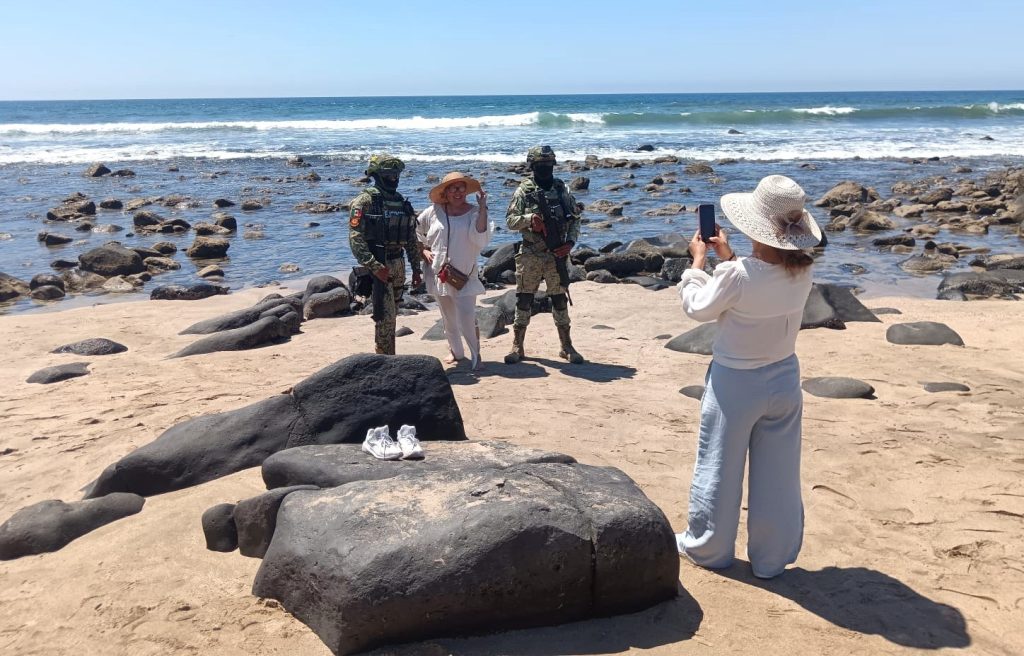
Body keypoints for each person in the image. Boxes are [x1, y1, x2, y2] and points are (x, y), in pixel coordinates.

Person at [676, 174, 822, 579]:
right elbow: (759, 281)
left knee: (719, 467)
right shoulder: (802, 271)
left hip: (736, 383)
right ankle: (771, 558)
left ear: (755, 227)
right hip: (784, 376)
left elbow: (698, 307)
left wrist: (697, 263)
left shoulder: (737, 275)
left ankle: (709, 547)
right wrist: (728, 257)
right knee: (779, 473)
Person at [503, 145, 583, 365]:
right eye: (541, 164)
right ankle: (517, 345)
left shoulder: (562, 189)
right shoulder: (524, 191)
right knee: (524, 298)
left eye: (548, 164)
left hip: (557, 253)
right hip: (531, 253)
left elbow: (575, 220)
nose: (545, 168)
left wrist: (570, 243)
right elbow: (510, 220)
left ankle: (566, 346)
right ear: (532, 166)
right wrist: (529, 219)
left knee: (559, 298)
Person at [348, 154, 422, 355]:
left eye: (396, 174)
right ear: (377, 175)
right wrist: (374, 266)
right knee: (385, 317)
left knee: (393, 313)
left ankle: (388, 357)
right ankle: (385, 359)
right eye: (389, 175)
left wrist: (416, 269)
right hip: (380, 264)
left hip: (399, 263)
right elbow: (355, 238)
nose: (394, 179)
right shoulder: (365, 201)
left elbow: (411, 239)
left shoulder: (400, 201)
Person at [416, 172, 491, 370]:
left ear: (466, 191)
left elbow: (480, 236)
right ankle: (456, 352)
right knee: (448, 318)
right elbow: (414, 230)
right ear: (446, 192)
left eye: (461, 188)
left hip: (464, 275)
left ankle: (476, 355)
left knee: (467, 317)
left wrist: (483, 207)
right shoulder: (433, 211)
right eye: (453, 188)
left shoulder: (475, 212)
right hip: (439, 273)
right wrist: (423, 250)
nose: (458, 192)